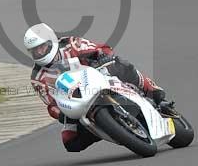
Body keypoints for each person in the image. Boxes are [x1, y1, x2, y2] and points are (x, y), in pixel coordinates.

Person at [24, 22, 173, 152]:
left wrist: (102, 56)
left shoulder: (71, 44)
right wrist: (60, 114)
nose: (39, 52)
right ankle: (109, 128)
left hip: (98, 76)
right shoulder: (38, 78)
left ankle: (151, 89)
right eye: (34, 51)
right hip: (77, 100)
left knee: (120, 64)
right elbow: (51, 104)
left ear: (51, 41)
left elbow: (101, 48)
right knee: (70, 142)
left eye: (41, 47)